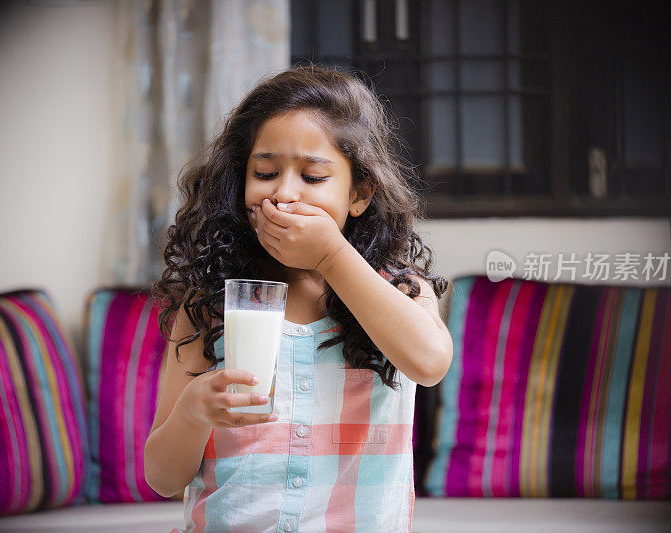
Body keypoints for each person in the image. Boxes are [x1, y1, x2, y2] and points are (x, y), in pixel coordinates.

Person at [144, 65, 454, 532]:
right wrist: (193, 411)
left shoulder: (400, 291)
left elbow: (429, 363)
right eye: (265, 172)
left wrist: (332, 255)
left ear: (359, 195)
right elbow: (163, 478)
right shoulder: (209, 303)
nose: (284, 193)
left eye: (312, 177)